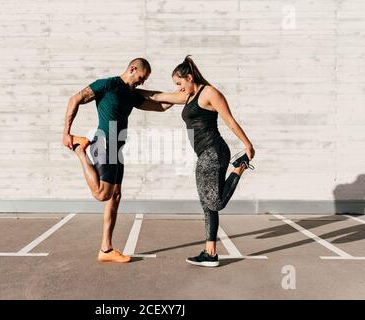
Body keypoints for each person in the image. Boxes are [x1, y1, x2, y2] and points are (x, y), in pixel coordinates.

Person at [62, 58, 184, 263]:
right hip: (103, 142)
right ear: (133, 69)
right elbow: (75, 99)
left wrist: (179, 97)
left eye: (144, 80)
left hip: (117, 148)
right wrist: (67, 133)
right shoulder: (107, 84)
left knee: (115, 196)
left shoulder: (131, 94)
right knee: (102, 194)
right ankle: (79, 150)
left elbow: (160, 107)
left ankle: (106, 249)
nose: (141, 83)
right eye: (141, 78)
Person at [138, 56, 255, 267]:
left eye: (179, 83)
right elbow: (157, 97)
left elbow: (230, 121)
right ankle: (210, 253)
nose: (178, 89)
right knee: (207, 204)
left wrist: (247, 144)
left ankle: (240, 167)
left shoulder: (209, 93)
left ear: (190, 78)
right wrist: (126, 90)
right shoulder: (189, 96)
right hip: (204, 154)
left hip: (215, 151)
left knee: (215, 202)